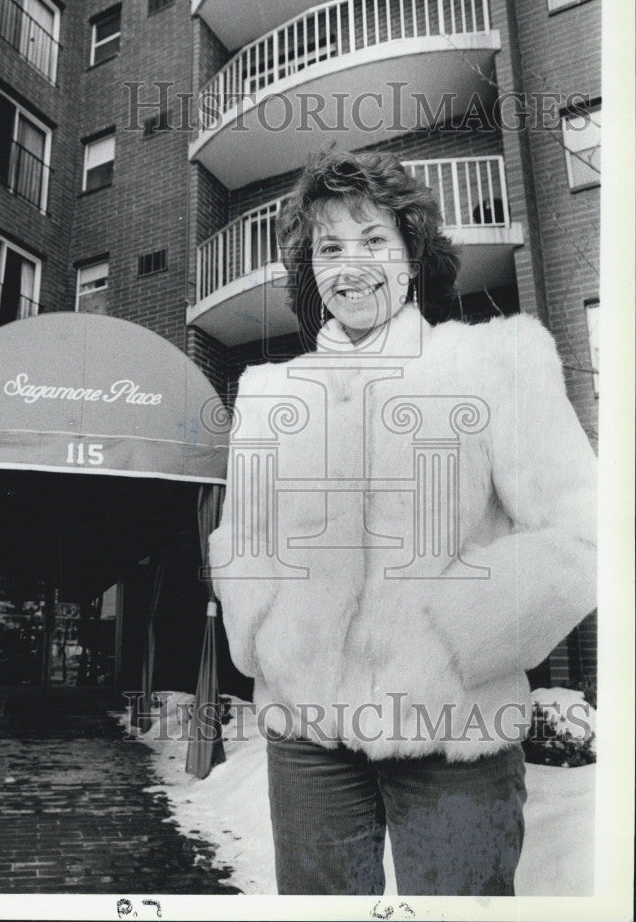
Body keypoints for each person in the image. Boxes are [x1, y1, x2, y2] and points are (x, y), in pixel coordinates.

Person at [208, 148, 597, 896]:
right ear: (310, 270)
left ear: (413, 254)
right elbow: (243, 536)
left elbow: (585, 531)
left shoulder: (494, 364)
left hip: (453, 735)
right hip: (306, 736)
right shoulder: (267, 393)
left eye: (372, 240)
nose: (349, 264)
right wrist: (261, 639)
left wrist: (460, 640)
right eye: (327, 247)